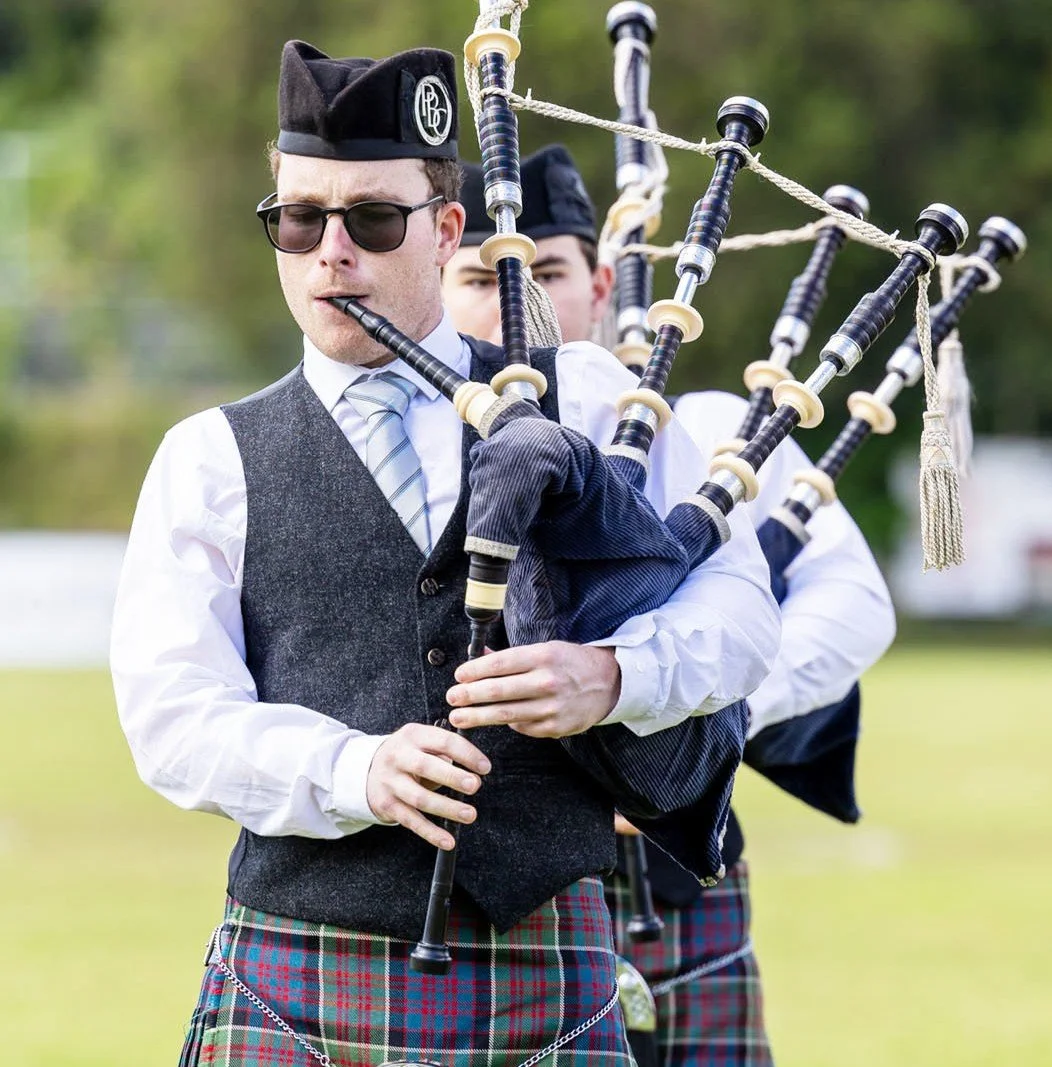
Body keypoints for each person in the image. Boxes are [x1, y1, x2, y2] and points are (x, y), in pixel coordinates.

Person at [111, 43, 782, 1067]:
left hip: (549, 972)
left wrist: (614, 676)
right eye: (298, 219)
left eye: (371, 219)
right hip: (298, 970)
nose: (331, 252)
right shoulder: (210, 458)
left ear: (447, 228)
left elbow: (738, 613)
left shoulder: (589, 399)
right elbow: (172, 714)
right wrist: (355, 767)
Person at [442, 144, 897, 1067]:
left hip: (674, 879)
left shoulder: (715, 428)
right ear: (440, 287)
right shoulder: (414, 437)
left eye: (547, 270)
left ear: (602, 283)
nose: (515, 299)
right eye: (481, 276)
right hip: (481, 892)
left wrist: (691, 716)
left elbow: (851, 604)